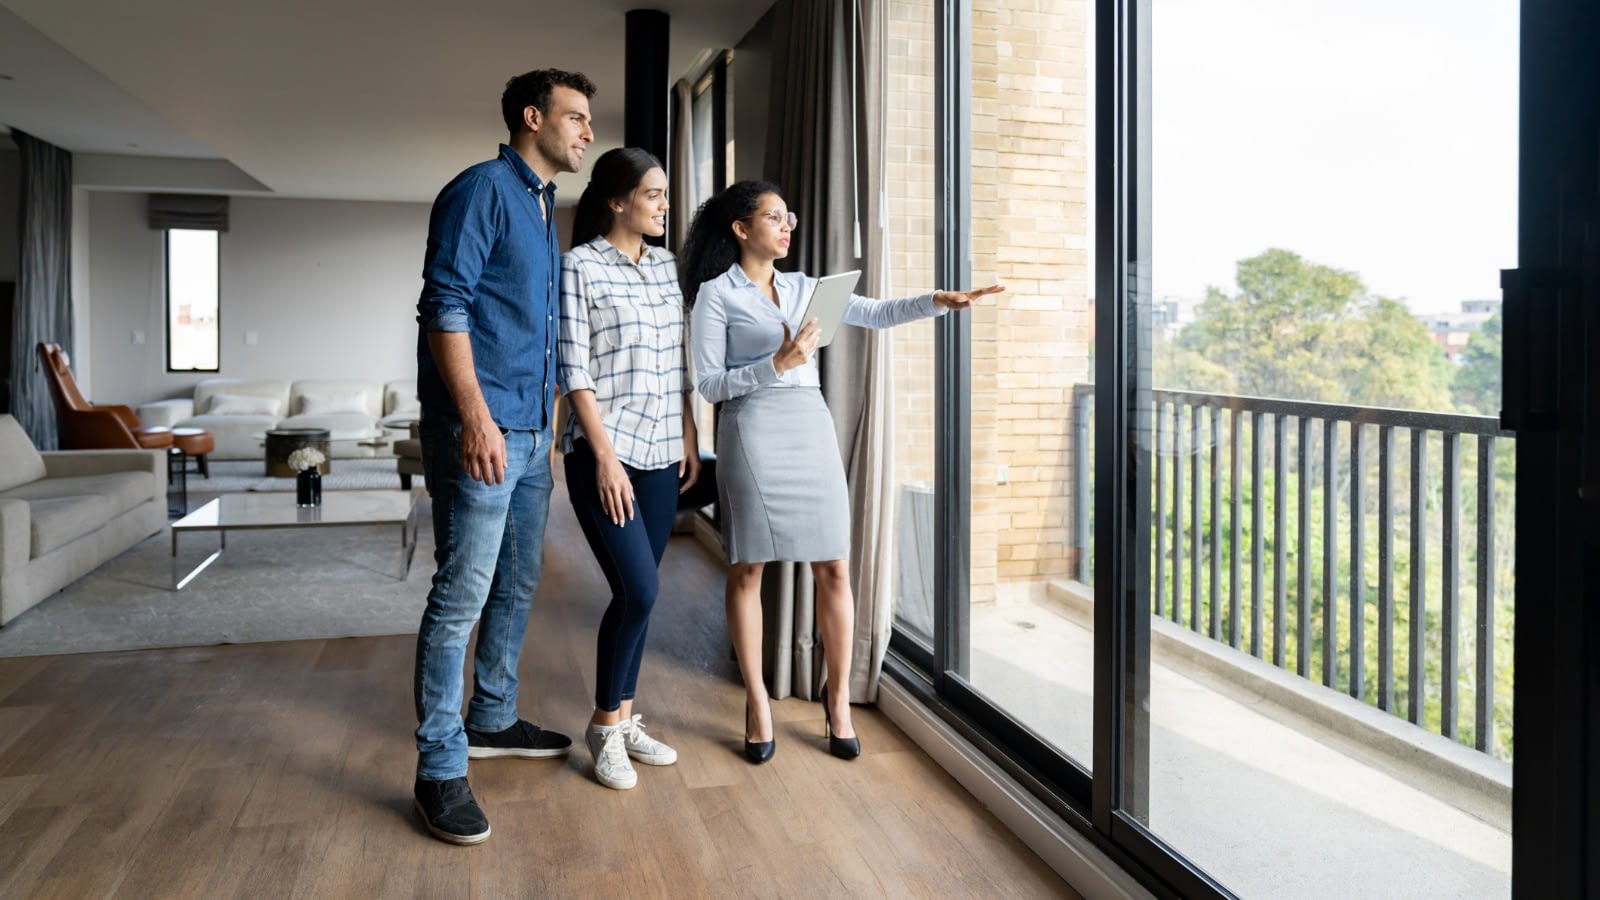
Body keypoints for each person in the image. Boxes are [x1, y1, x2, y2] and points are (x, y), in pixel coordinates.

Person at [680, 179, 1002, 763]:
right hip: (751, 428)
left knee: (834, 566)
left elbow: (875, 313)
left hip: (810, 423)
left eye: (789, 216)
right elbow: (708, 384)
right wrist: (776, 363)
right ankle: (757, 702)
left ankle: (838, 706)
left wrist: (938, 300)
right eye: (775, 217)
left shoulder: (808, 288)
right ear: (741, 229)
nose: (787, 226)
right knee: (748, 568)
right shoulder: (715, 296)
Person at [411, 68, 595, 845]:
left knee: (517, 582)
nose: (588, 131)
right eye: (576, 117)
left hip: (528, 435)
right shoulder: (483, 189)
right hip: (481, 434)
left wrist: (546, 422)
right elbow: (443, 306)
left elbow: (532, 325)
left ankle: (490, 715)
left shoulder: (541, 204)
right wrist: (478, 420)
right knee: (461, 594)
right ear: (533, 117)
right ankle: (439, 770)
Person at [557, 147, 700, 791]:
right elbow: (575, 371)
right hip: (605, 455)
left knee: (638, 599)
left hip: (665, 450)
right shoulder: (579, 267)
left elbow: (676, 362)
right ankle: (602, 725)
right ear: (617, 201)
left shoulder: (667, 267)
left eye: (666, 195)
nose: (665, 206)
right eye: (654, 195)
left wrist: (690, 433)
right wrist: (605, 460)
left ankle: (626, 715)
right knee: (639, 590)